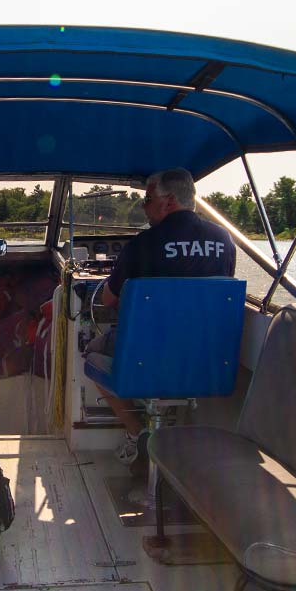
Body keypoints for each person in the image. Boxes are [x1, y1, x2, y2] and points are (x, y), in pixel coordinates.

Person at [90, 168, 237, 466]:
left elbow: (108, 300)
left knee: (92, 351)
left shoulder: (143, 244)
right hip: (206, 363)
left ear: (168, 202)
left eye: (146, 200)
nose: (143, 208)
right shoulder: (224, 240)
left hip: (147, 360)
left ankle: (137, 431)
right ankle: (168, 432)